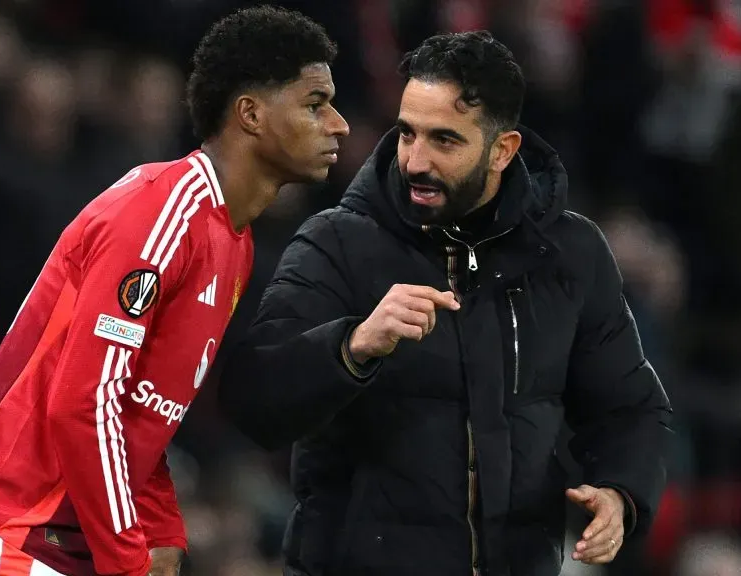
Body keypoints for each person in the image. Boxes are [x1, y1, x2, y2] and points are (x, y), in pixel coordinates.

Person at [221, 30, 673, 576]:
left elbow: (630, 408)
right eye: (407, 134)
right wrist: (352, 345)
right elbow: (253, 401)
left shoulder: (569, 255)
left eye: (445, 141)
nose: (415, 160)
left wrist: (621, 493)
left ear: (503, 151)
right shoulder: (336, 244)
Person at [0, 6, 349, 576]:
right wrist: (130, 560)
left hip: (60, 542)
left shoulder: (234, 243)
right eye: (314, 103)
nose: (339, 124)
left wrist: (160, 530)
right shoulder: (162, 211)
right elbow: (86, 404)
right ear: (251, 115)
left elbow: (142, 413)